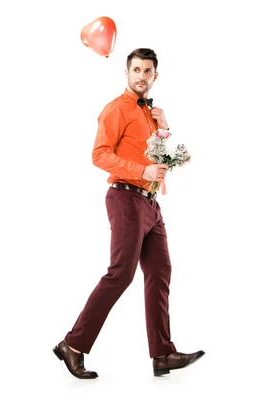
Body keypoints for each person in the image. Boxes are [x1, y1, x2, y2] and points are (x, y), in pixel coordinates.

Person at [53, 48, 204, 379]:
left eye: (147, 71)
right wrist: (141, 171)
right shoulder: (116, 109)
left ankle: (162, 354)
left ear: (154, 76)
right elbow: (99, 154)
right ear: (127, 73)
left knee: (160, 271)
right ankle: (73, 345)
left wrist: (166, 127)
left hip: (150, 203)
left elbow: (176, 159)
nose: (141, 76)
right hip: (124, 198)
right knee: (120, 273)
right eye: (136, 70)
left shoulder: (152, 113)